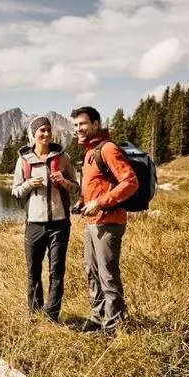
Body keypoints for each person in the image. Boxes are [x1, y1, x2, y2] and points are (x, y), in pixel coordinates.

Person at [71, 106, 139, 332]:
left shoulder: (108, 148)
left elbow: (130, 182)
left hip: (110, 221)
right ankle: (99, 318)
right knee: (91, 272)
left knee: (108, 275)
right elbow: (96, 185)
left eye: (82, 124)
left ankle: (114, 326)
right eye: (75, 125)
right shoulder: (90, 151)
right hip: (92, 222)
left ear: (95, 124)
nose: (78, 129)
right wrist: (82, 201)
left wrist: (99, 203)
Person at [12, 116, 79, 322]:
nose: (46, 134)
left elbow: (77, 188)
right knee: (33, 272)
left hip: (59, 224)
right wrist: (29, 184)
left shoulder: (62, 157)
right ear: (34, 134)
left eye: (49, 130)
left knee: (56, 271)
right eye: (42, 130)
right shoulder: (23, 160)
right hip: (34, 225)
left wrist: (64, 182)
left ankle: (51, 316)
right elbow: (15, 192)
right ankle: (34, 314)